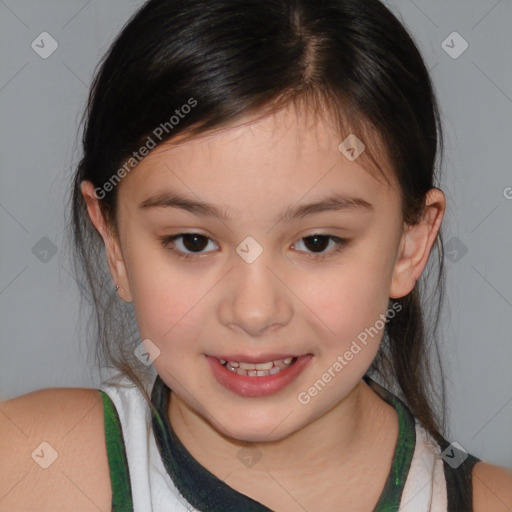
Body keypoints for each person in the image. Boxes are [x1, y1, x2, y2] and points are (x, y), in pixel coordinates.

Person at [1, 0, 511, 510]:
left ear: (410, 244)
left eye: (317, 242)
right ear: (114, 242)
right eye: (193, 242)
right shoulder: (30, 471)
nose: (254, 311)